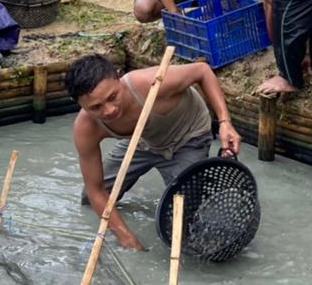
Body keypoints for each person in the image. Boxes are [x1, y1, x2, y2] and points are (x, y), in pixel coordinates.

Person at [66, 54, 242, 251]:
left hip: (187, 136)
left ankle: (198, 185)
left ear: (119, 77)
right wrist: (124, 236)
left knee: (180, 221)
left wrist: (225, 122)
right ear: (81, 106)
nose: (109, 110)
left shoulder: (150, 82)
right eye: (96, 107)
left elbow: (202, 71)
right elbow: (95, 189)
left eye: (112, 97)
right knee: (90, 201)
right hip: (142, 141)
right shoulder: (85, 128)